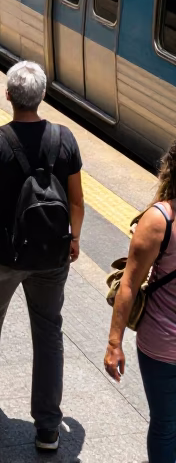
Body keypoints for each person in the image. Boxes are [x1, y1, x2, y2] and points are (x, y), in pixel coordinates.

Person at [0, 60, 85, 453]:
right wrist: (73, 238)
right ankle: (48, 428)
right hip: (51, 254)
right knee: (48, 333)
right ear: (42, 96)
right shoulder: (65, 139)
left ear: (9, 95)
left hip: (1, 255)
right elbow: (77, 201)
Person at [104, 139, 176, 461]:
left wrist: (114, 344)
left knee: (165, 426)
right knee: (167, 425)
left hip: (158, 345)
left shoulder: (159, 219)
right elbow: (129, 285)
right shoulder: (160, 221)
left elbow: (130, 284)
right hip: (164, 347)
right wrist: (113, 342)